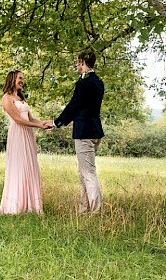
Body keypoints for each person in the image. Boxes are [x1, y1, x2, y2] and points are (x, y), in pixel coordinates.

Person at [45, 48, 105, 214]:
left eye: (78, 62)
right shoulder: (98, 82)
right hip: (95, 131)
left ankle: (96, 211)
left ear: (82, 63)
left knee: (88, 173)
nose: (77, 66)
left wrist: (56, 122)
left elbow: (73, 107)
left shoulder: (83, 84)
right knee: (83, 173)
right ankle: (84, 209)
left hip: (84, 133)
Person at [0, 70, 51, 215]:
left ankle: (31, 204)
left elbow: (30, 119)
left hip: (28, 134)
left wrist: (44, 123)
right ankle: (16, 204)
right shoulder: (7, 98)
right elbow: (18, 120)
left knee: (30, 166)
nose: (22, 81)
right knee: (19, 166)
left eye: (22, 79)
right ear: (12, 79)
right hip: (18, 134)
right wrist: (37, 126)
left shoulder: (20, 97)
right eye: (20, 78)